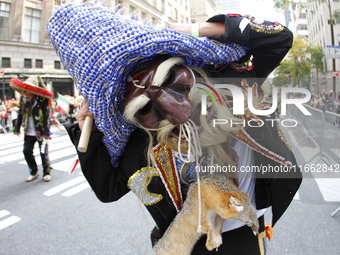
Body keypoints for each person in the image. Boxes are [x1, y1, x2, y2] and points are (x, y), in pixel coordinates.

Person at [47, 3, 302, 254]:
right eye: (146, 108)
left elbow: (278, 39)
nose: (176, 112)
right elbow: (108, 189)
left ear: (185, 68)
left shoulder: (228, 85)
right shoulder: (142, 141)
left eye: (170, 81)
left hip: (241, 239)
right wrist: (86, 133)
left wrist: (195, 29)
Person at [9, 75, 54, 182]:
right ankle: (34, 171)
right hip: (28, 131)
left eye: (27, 91)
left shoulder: (43, 100)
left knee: (44, 152)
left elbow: (47, 116)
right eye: (24, 91)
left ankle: (46, 172)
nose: (25, 93)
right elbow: (20, 114)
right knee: (26, 151)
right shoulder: (24, 100)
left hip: (41, 131)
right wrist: (17, 128)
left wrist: (46, 132)